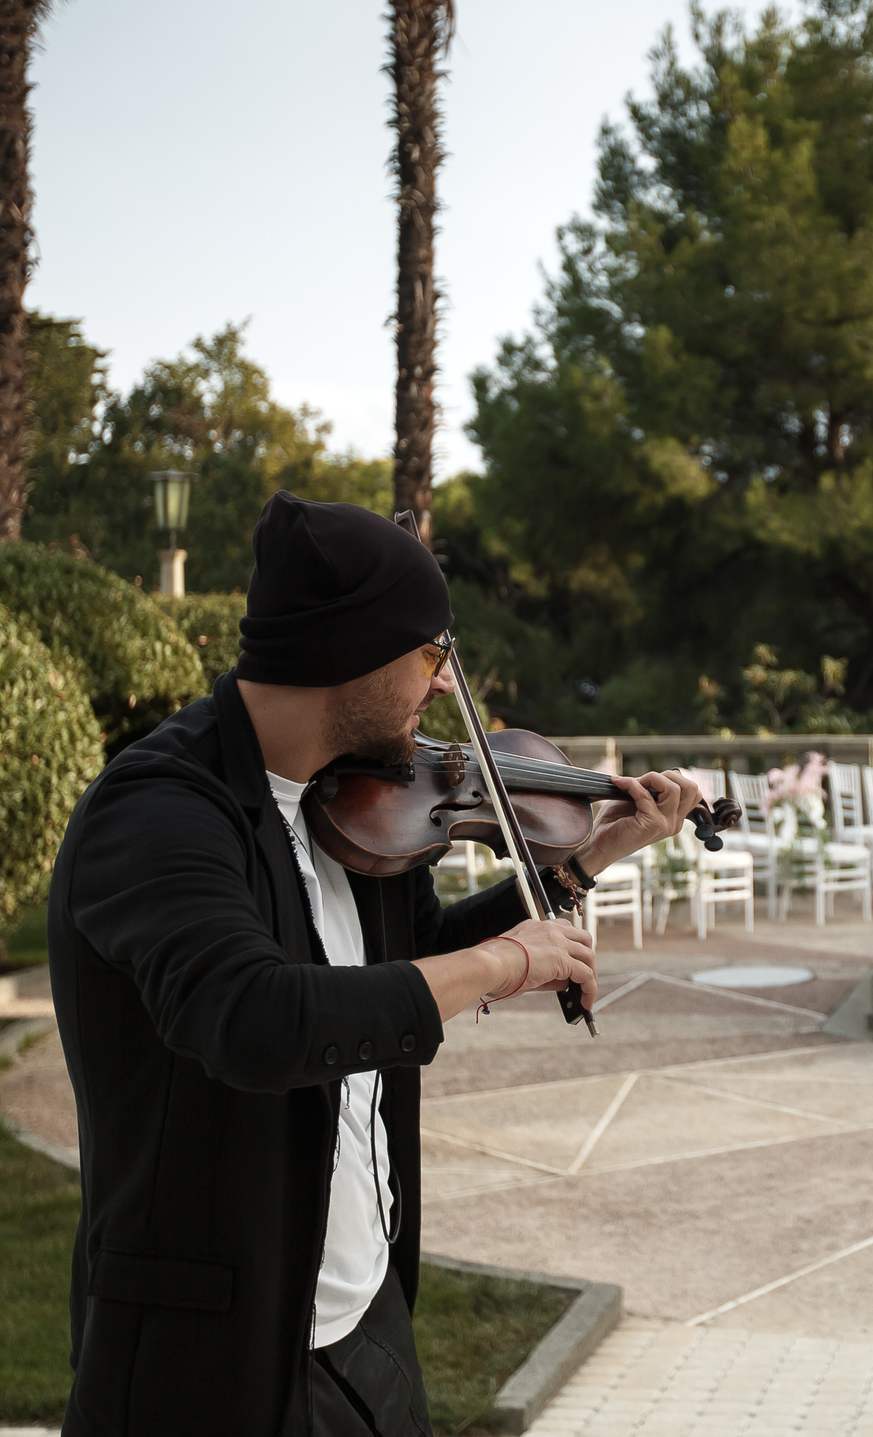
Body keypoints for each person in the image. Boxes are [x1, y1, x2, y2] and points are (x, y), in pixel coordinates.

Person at [48, 492, 700, 1436]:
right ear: (349, 650)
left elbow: (405, 972)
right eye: (432, 654)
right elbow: (254, 1017)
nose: (443, 686)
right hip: (214, 1359)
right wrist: (505, 963)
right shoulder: (158, 812)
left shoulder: (357, 807)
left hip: (365, 1318)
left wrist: (586, 858)